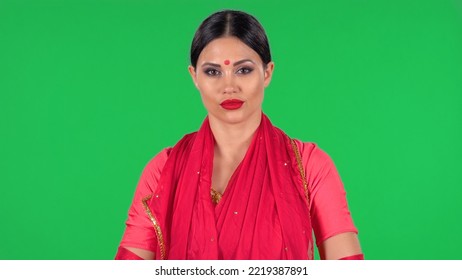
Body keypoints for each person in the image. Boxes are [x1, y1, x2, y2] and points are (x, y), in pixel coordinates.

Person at [115, 10, 363, 260]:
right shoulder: (164, 170)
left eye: (243, 70)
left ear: (267, 73)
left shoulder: (309, 166)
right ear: (194, 77)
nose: (229, 86)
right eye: (213, 72)